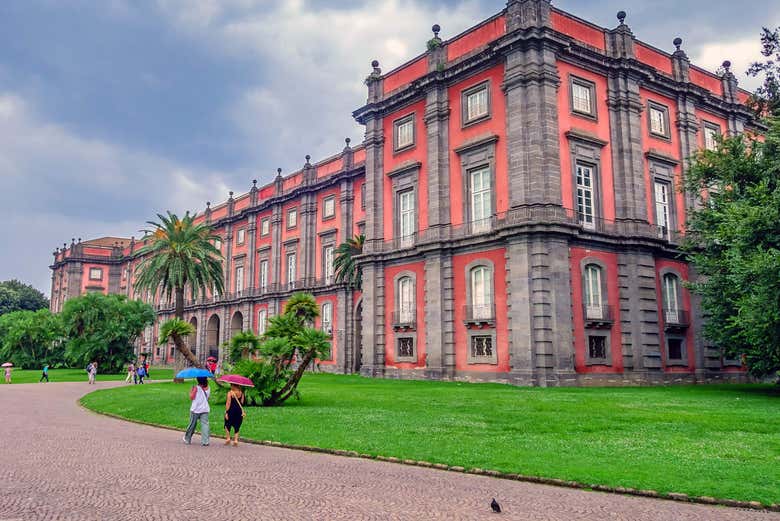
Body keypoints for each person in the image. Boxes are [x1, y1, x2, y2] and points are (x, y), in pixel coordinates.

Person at [183, 377, 210, 446]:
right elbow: (208, 398)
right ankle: (205, 441)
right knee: (205, 425)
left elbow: (191, 397)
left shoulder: (196, 388)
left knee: (192, 424)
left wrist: (191, 391)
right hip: (205, 409)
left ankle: (187, 439)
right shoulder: (208, 388)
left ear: (198, 380)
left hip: (195, 409)